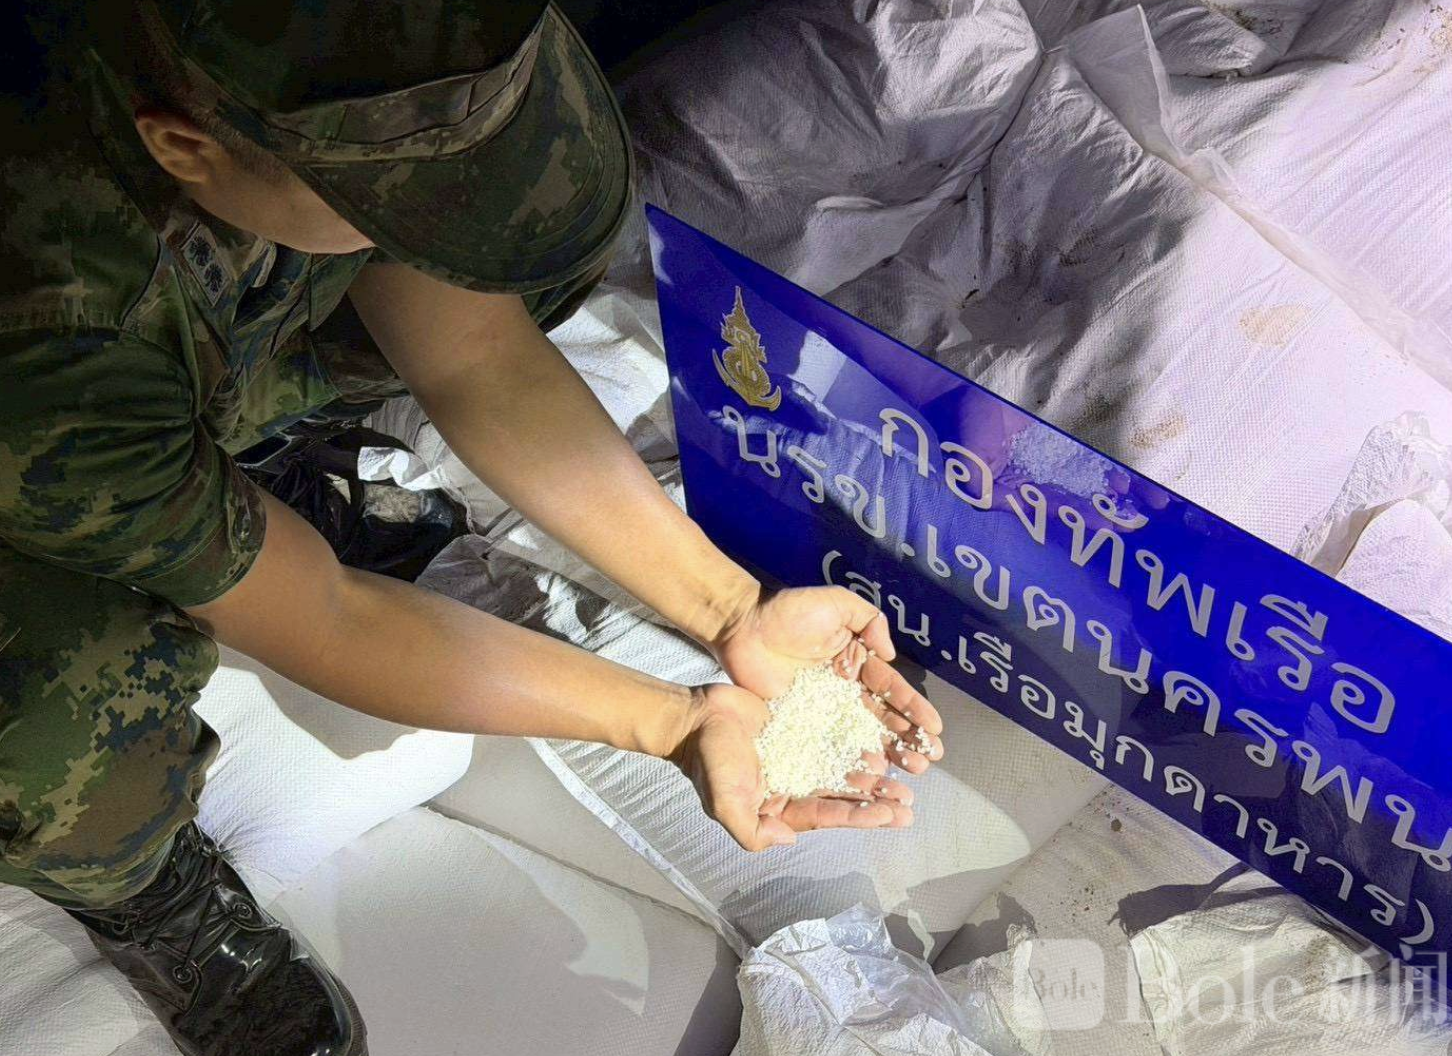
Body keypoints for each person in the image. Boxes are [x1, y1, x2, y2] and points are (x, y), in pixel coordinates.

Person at [0, 2, 946, 1053]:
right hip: (45, 426)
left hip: (157, 325)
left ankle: (232, 457)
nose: (438, 224)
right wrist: (674, 724)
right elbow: (329, 613)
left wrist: (733, 610)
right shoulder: (56, 341)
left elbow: (475, 357)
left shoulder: (338, 72)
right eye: (396, 203)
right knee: (51, 725)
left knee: (514, 236)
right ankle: (136, 879)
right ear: (186, 147)